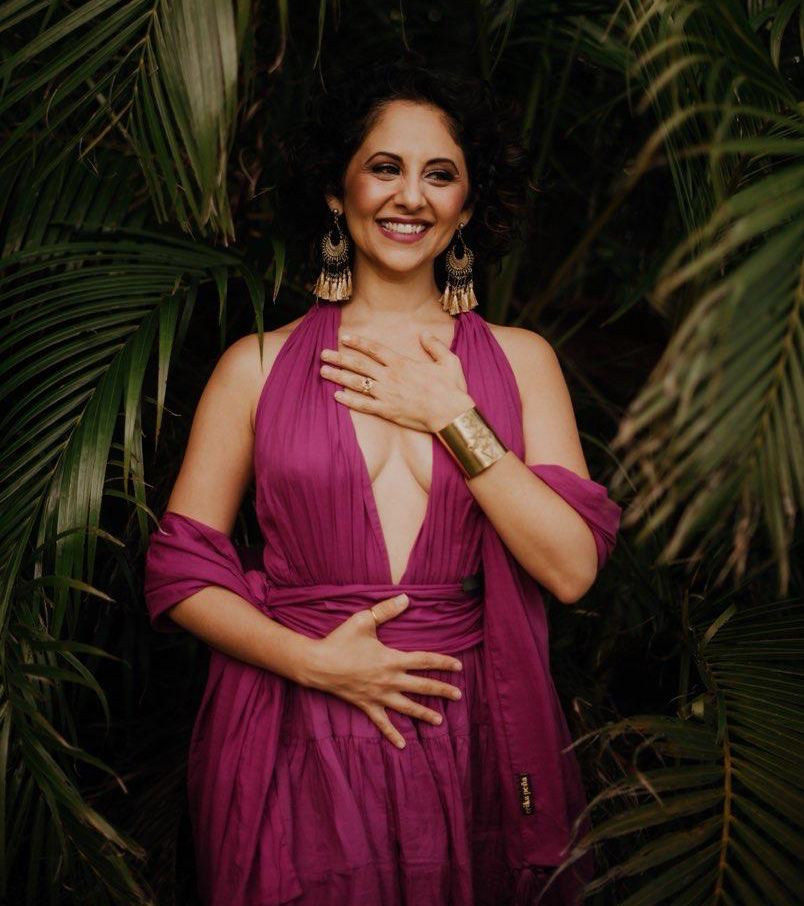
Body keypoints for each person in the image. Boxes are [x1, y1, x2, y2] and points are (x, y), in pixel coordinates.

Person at [144, 58, 622, 906]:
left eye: (440, 175)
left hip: (471, 732)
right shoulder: (256, 367)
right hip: (297, 727)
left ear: (466, 207)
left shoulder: (521, 362)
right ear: (339, 191)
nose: (411, 196)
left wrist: (452, 414)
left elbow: (571, 568)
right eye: (385, 168)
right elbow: (179, 571)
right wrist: (315, 664)